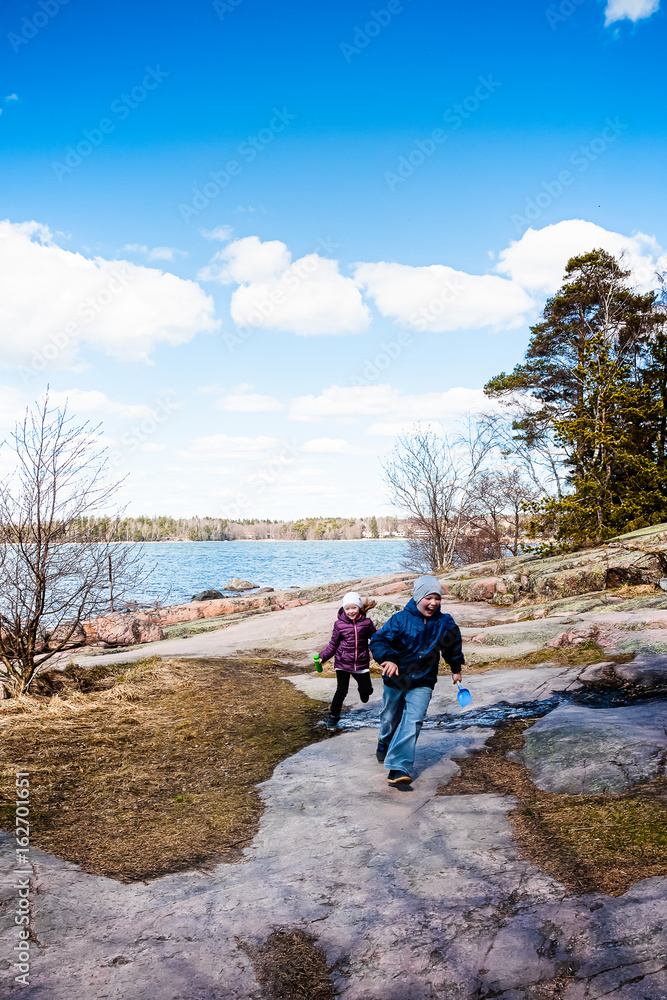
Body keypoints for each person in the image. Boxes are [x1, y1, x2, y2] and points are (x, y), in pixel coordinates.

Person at [369, 575, 463, 787]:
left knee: (413, 720)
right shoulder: (400, 619)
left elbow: (452, 645)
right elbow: (379, 640)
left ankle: (399, 766)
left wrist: (455, 669)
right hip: (396, 678)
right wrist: (388, 658)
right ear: (418, 597)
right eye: (429, 597)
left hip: (423, 680)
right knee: (390, 717)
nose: (433, 603)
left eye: (437, 598)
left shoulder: (444, 622)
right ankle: (384, 739)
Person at [318, 591, 377, 730]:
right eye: (347, 608)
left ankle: (363, 691)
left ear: (359, 607)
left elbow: (375, 640)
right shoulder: (339, 625)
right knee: (341, 691)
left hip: (361, 663)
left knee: (367, 690)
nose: (351, 611)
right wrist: (323, 656)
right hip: (342, 663)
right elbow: (333, 645)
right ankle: (333, 718)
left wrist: (384, 656)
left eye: (354, 608)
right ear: (344, 609)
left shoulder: (367, 623)